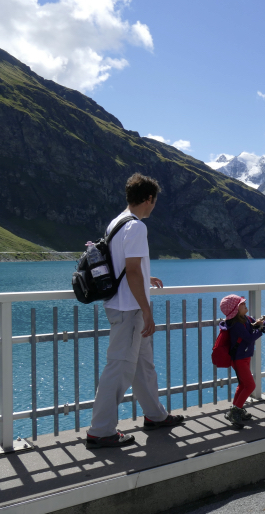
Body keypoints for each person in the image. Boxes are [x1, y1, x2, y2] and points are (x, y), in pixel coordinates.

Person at [86, 173, 184, 448]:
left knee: (143, 365)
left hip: (119, 304)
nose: (154, 206)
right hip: (130, 309)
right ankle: (101, 430)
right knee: (118, 368)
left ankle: (155, 415)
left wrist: (146, 275)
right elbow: (129, 270)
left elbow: (125, 266)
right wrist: (147, 310)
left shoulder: (117, 222)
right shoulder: (138, 227)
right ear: (149, 198)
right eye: (155, 201)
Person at [218, 295, 265, 428]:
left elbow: (257, 325)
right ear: (235, 309)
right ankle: (234, 412)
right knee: (250, 386)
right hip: (239, 359)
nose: (245, 303)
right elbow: (249, 338)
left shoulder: (246, 319)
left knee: (243, 385)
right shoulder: (236, 325)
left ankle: (237, 409)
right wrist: (261, 328)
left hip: (245, 357)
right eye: (241, 304)